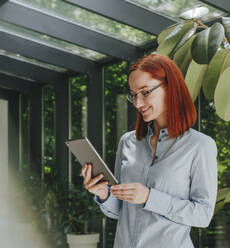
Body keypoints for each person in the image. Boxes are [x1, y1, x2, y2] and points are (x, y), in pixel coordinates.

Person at [81, 53, 218, 248]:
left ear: (170, 88)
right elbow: (121, 210)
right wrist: (103, 193)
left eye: (145, 92)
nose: (137, 103)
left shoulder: (200, 146)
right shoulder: (127, 142)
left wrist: (149, 197)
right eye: (133, 95)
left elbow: (203, 215)